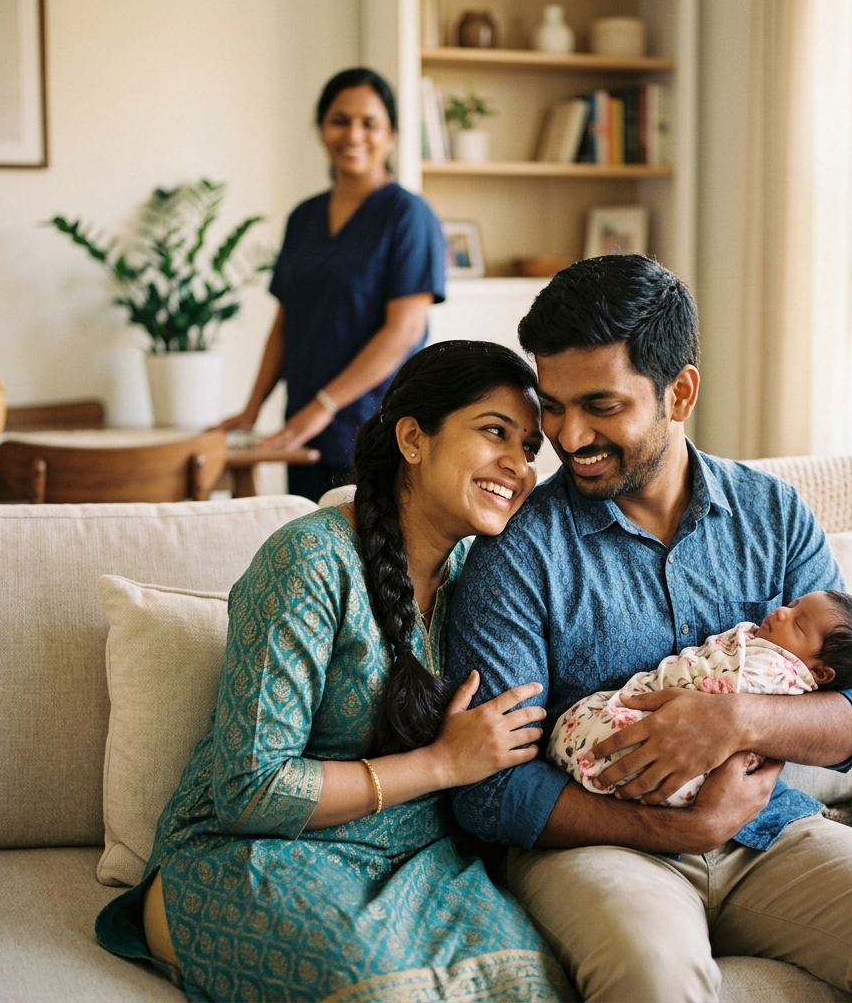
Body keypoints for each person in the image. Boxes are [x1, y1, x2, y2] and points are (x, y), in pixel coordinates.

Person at [446, 256, 852, 1002]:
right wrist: (680, 831)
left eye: (601, 405)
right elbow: (488, 791)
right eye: (555, 405)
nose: (570, 438)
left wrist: (733, 719)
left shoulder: (775, 517)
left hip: (767, 830)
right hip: (596, 845)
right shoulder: (515, 551)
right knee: (655, 975)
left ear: (681, 392)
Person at [96, 341, 573, 1002]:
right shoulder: (308, 564)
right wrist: (441, 764)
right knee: (388, 995)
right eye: (494, 432)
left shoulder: (480, 581)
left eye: (529, 449)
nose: (517, 466)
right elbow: (250, 789)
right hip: (248, 853)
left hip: (414, 861)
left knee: (533, 986)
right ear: (413, 438)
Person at [220, 68, 446, 501]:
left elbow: (404, 332)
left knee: (370, 558)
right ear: (322, 129)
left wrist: (322, 408)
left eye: (369, 123)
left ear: (392, 135)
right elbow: (286, 324)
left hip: (380, 428)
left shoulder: (408, 217)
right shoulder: (303, 218)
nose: (353, 134)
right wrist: (252, 411)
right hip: (304, 433)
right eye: (340, 120)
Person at [548, 590, 852, 807]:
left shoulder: (774, 671)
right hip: (624, 833)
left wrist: (741, 719)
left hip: (756, 811)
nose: (782, 612)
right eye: (792, 604)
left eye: (799, 625)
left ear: (821, 673)